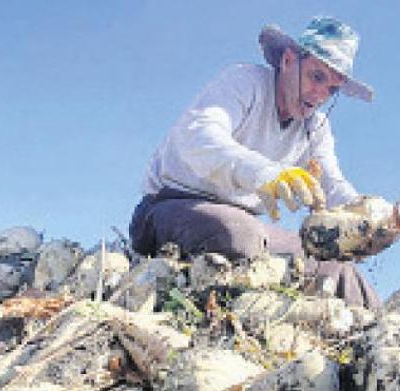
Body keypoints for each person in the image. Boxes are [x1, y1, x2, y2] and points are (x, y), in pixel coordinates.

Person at [129, 16, 382, 309]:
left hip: (246, 225)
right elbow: (198, 137)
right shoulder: (245, 82)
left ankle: (388, 335)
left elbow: (331, 183)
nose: (320, 95)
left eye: (332, 89)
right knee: (239, 235)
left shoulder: (316, 127)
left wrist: (365, 220)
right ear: (288, 61)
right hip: (169, 206)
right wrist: (264, 173)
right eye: (317, 77)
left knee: (339, 271)